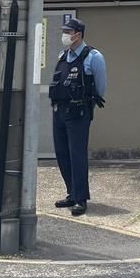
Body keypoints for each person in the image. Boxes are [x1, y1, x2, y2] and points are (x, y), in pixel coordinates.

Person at [48, 17, 107, 216]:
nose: (65, 36)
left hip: (79, 113)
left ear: (78, 35)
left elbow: (100, 87)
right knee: (62, 154)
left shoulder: (93, 57)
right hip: (60, 112)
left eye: (68, 32)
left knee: (77, 155)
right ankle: (72, 193)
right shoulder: (63, 56)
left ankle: (81, 199)